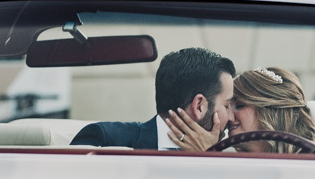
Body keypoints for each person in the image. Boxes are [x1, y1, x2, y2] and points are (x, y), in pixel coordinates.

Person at [69, 47, 235, 149]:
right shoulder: (103, 140)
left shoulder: (232, 157)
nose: (231, 117)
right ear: (199, 106)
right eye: (227, 106)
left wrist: (208, 158)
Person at [167, 66, 315, 154]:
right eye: (227, 106)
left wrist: (209, 155)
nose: (228, 116)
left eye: (239, 105)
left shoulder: (312, 153)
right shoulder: (240, 156)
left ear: (269, 110)